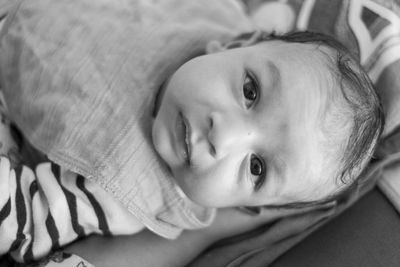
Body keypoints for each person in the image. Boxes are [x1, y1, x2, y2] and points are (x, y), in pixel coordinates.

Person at [0, 0, 384, 265]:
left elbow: (21, 224)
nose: (224, 136)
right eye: (250, 92)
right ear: (237, 44)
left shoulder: (123, 196)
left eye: (256, 168)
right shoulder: (211, 16)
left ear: (245, 207)